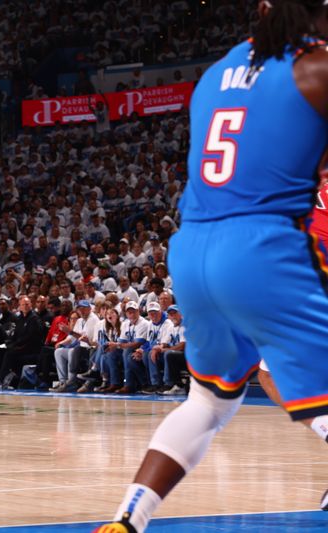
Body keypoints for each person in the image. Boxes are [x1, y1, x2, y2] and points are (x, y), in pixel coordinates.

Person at [95, 3, 328, 531]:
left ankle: (126, 519)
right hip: (264, 248)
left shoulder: (216, 71)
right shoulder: (315, 69)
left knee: (208, 404)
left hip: (194, 250)